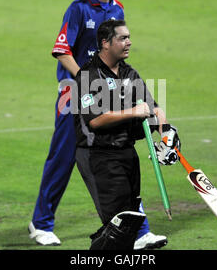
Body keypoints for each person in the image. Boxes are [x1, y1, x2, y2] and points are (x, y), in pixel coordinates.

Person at [29, 0, 167, 249]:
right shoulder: (78, 9)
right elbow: (61, 50)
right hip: (74, 90)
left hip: (106, 90)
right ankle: (41, 223)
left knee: (120, 150)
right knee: (64, 156)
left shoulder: (118, 9)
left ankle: (139, 230)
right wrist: (86, 80)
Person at [73, 19, 181, 249]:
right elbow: (96, 120)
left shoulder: (129, 73)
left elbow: (153, 109)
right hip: (98, 156)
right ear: (105, 43)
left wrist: (167, 133)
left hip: (126, 154)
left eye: (129, 37)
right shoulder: (87, 76)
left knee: (127, 224)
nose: (129, 42)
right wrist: (133, 111)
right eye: (122, 38)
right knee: (119, 226)